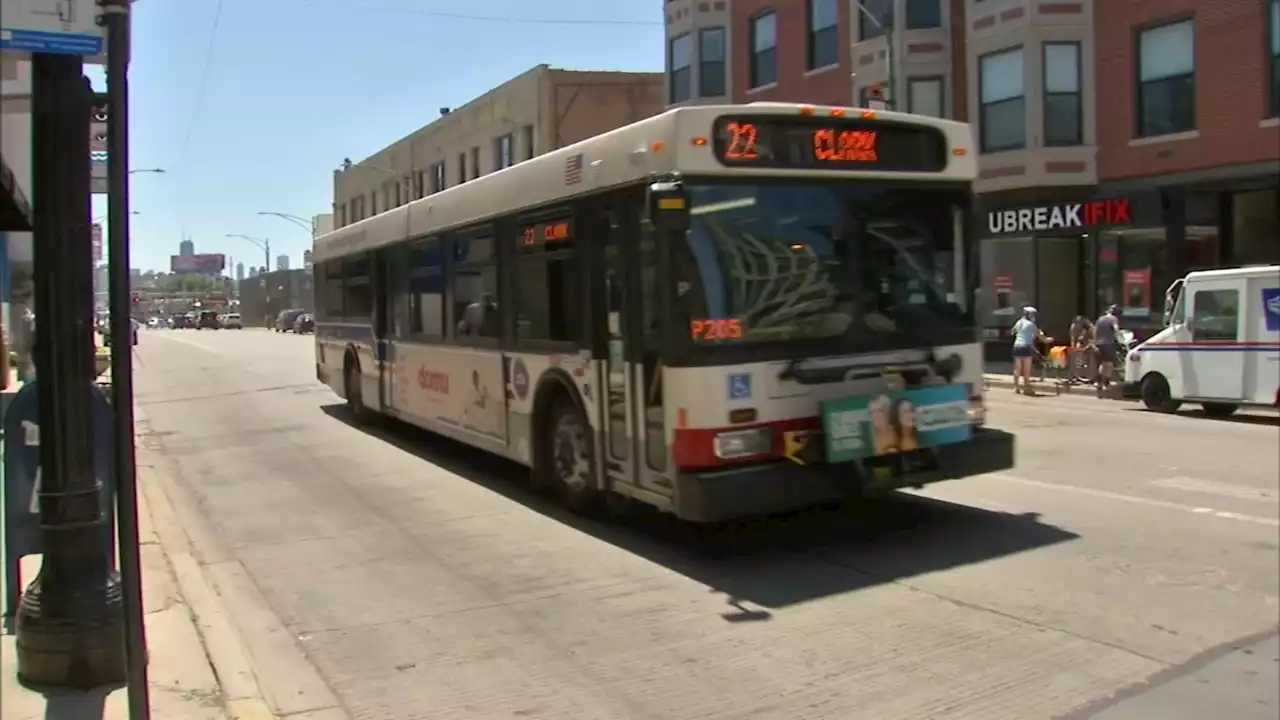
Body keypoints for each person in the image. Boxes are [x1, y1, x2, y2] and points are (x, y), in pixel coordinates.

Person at [1010, 306, 1039, 395]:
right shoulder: (1031, 325)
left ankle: (1016, 387)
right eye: (1033, 314)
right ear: (1030, 315)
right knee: (1026, 368)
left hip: (1017, 345)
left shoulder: (1019, 322)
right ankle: (1026, 388)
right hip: (1026, 347)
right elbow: (1039, 335)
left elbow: (1012, 332)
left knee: (1017, 368)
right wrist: (1048, 339)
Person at [1094, 305, 1121, 395]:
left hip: (1098, 343)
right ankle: (1106, 383)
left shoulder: (1100, 319)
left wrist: (1095, 341)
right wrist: (1119, 337)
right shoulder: (1113, 319)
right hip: (1108, 344)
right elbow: (1116, 329)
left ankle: (1098, 382)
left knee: (1102, 363)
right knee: (1109, 363)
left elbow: (1095, 330)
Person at [1068, 315, 1095, 383]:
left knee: (1091, 360)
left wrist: (1090, 344)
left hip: (1089, 343)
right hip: (1081, 343)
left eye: (1078, 323)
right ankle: (1074, 375)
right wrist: (1073, 347)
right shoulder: (1073, 327)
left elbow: (1094, 337)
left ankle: (1090, 377)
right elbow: (1073, 338)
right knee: (1077, 359)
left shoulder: (1090, 327)